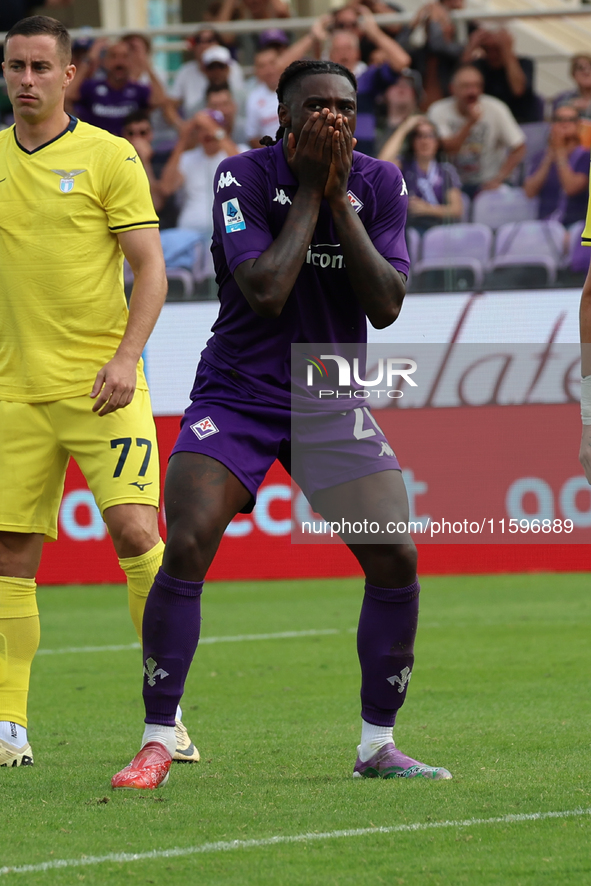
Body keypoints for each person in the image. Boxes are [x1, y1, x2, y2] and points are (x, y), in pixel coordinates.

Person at [111, 59, 452, 790]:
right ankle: (157, 739)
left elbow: (386, 304)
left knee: (395, 554)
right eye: (317, 107)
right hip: (238, 391)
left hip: (328, 392)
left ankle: (376, 747)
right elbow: (264, 289)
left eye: (346, 108)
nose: (334, 120)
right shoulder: (240, 173)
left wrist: (338, 200)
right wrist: (310, 189)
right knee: (191, 539)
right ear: (283, 117)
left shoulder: (379, 183)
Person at [0, 15, 198, 768]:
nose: (26, 80)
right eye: (15, 66)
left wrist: (126, 358)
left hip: (102, 386)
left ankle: (166, 711)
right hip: (15, 392)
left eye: (39, 67)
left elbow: (151, 267)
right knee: (12, 552)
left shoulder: (108, 156)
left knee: (136, 535)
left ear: (67, 74)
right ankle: (8, 725)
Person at [427, 64, 525, 197]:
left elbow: (519, 147)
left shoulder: (496, 108)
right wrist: (470, 122)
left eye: (477, 86)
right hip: (451, 185)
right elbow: (448, 148)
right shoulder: (438, 111)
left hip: (489, 183)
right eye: (466, 86)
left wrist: (499, 178)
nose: (472, 91)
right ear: (452, 89)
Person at [379, 115, 462, 231]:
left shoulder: (446, 170)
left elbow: (456, 210)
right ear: (412, 142)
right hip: (408, 229)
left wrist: (427, 209)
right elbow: (382, 165)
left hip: (439, 231)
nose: (425, 141)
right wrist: (405, 128)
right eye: (419, 136)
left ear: (437, 142)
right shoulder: (403, 166)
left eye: (430, 136)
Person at [69, 40, 163, 137]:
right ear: (105, 61)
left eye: (125, 57)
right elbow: (68, 95)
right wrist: (89, 60)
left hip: (129, 147)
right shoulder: (91, 87)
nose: (119, 62)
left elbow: (159, 100)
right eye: (113, 56)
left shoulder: (138, 89)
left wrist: (145, 64)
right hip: (96, 145)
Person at [523, 104, 590, 228]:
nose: (565, 124)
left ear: (579, 125)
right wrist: (549, 157)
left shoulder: (586, 156)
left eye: (571, 120)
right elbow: (529, 192)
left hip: (575, 225)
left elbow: (571, 188)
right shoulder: (540, 156)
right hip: (544, 225)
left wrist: (560, 153)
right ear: (551, 124)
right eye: (559, 120)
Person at [462, 27, 541, 124]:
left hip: (519, 121)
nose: (492, 54)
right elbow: (459, 80)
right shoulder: (480, 65)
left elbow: (518, 90)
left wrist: (506, 50)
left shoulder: (525, 63)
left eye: (497, 49)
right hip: (487, 121)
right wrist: (471, 46)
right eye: (487, 49)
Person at [168, 30, 245, 123]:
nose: (217, 71)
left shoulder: (243, 99)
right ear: (205, 71)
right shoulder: (195, 109)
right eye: (211, 67)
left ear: (229, 69)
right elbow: (171, 105)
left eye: (221, 67)